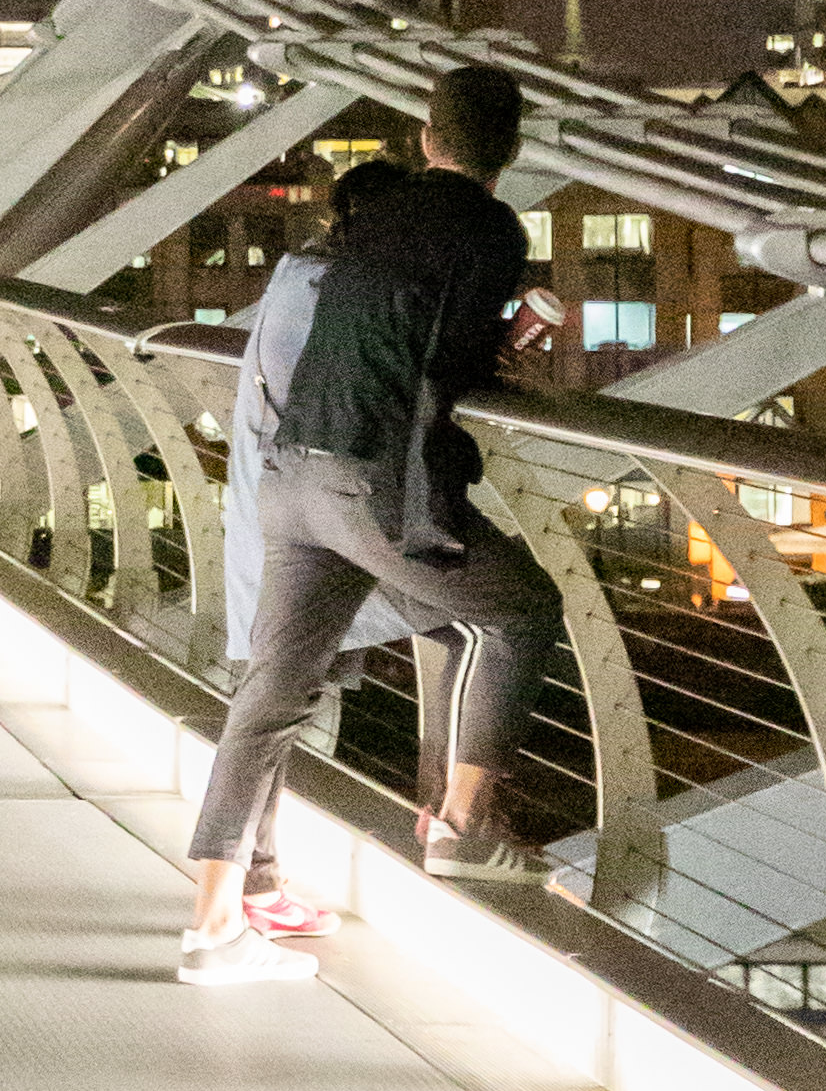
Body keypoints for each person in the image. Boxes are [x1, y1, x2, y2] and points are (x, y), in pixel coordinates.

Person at [177, 64, 563, 991]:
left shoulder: (372, 219)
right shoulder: (492, 230)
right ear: (510, 153)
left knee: (271, 694)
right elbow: (444, 362)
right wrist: (506, 351)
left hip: (292, 477)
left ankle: (213, 925)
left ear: (427, 139)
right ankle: (461, 826)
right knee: (520, 611)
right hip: (372, 484)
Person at [214, 158, 414, 937]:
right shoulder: (339, 292)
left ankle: (249, 886)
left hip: (281, 513)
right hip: (307, 525)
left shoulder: (300, 276)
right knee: (274, 709)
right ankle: (243, 894)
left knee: (276, 705)